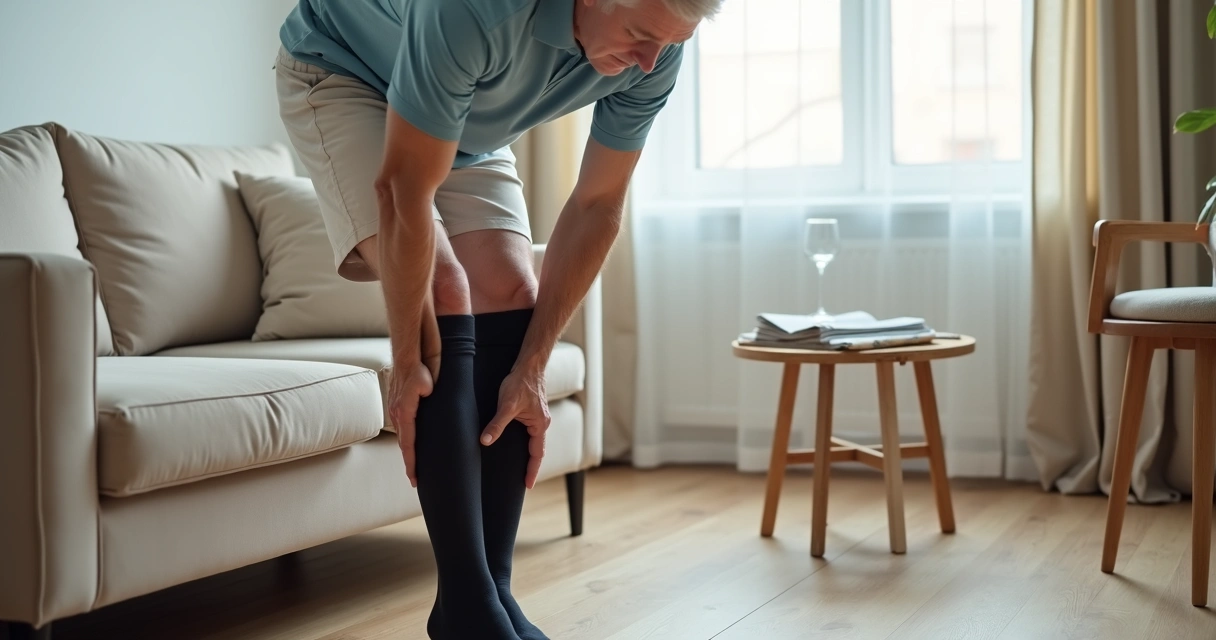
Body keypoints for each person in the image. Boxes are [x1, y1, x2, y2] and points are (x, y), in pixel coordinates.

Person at [274, 0, 721, 637]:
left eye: (670, 42)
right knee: (446, 285)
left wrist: (533, 368)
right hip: (349, 72)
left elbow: (597, 203)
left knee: (513, 287)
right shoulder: (478, 10)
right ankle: (467, 604)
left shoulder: (656, 54)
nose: (651, 60)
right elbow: (404, 189)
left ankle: (493, 593)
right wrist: (406, 363)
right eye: (641, 35)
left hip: (463, 108)